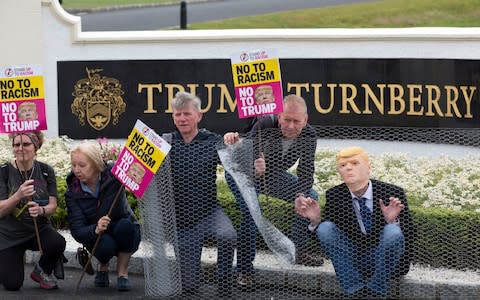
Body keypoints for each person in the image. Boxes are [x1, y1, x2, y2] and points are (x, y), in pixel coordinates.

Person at [224, 94, 323, 289]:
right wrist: (255, 166)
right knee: (252, 215)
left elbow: (306, 170)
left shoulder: (309, 135)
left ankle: (297, 251)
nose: (291, 126)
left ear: (305, 120)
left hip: (273, 176)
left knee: (310, 197)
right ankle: (244, 270)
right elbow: (244, 153)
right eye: (287, 119)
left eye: (296, 121)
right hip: (242, 175)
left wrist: (299, 195)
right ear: (279, 116)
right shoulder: (263, 124)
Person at [295, 146, 416, 298]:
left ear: (368, 168)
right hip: (353, 261)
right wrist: (316, 220)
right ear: (339, 173)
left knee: (393, 231)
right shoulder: (335, 195)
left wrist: (392, 221)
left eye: (355, 163)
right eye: (343, 166)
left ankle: (376, 291)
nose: (349, 168)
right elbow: (329, 241)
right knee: (324, 228)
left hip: (384, 260)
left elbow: (410, 235)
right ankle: (354, 290)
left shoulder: (392, 193)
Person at [167, 91, 236, 297]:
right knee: (189, 288)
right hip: (182, 221)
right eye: (178, 114)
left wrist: (237, 145)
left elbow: (237, 164)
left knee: (228, 234)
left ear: (199, 115)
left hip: (209, 212)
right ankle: (191, 279)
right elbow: (139, 168)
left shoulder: (213, 140)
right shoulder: (164, 143)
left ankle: (224, 281)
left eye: (187, 114)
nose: (182, 119)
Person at [65, 142, 141, 292]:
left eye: (82, 165)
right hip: (98, 234)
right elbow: (77, 230)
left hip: (122, 225)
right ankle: (103, 267)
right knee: (105, 244)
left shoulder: (116, 172)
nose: (77, 170)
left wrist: (138, 175)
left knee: (126, 226)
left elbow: (138, 173)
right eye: (74, 165)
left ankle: (122, 273)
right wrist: (95, 229)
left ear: (95, 164)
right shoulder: (72, 192)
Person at [0, 131, 66, 291]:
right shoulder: (3, 172)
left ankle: (42, 270)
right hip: (9, 235)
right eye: (16, 144)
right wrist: (18, 195)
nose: (20, 148)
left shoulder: (46, 170)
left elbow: (52, 206)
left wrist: (41, 210)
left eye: (26, 144)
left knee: (58, 242)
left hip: (38, 230)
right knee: (12, 284)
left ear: (36, 147)